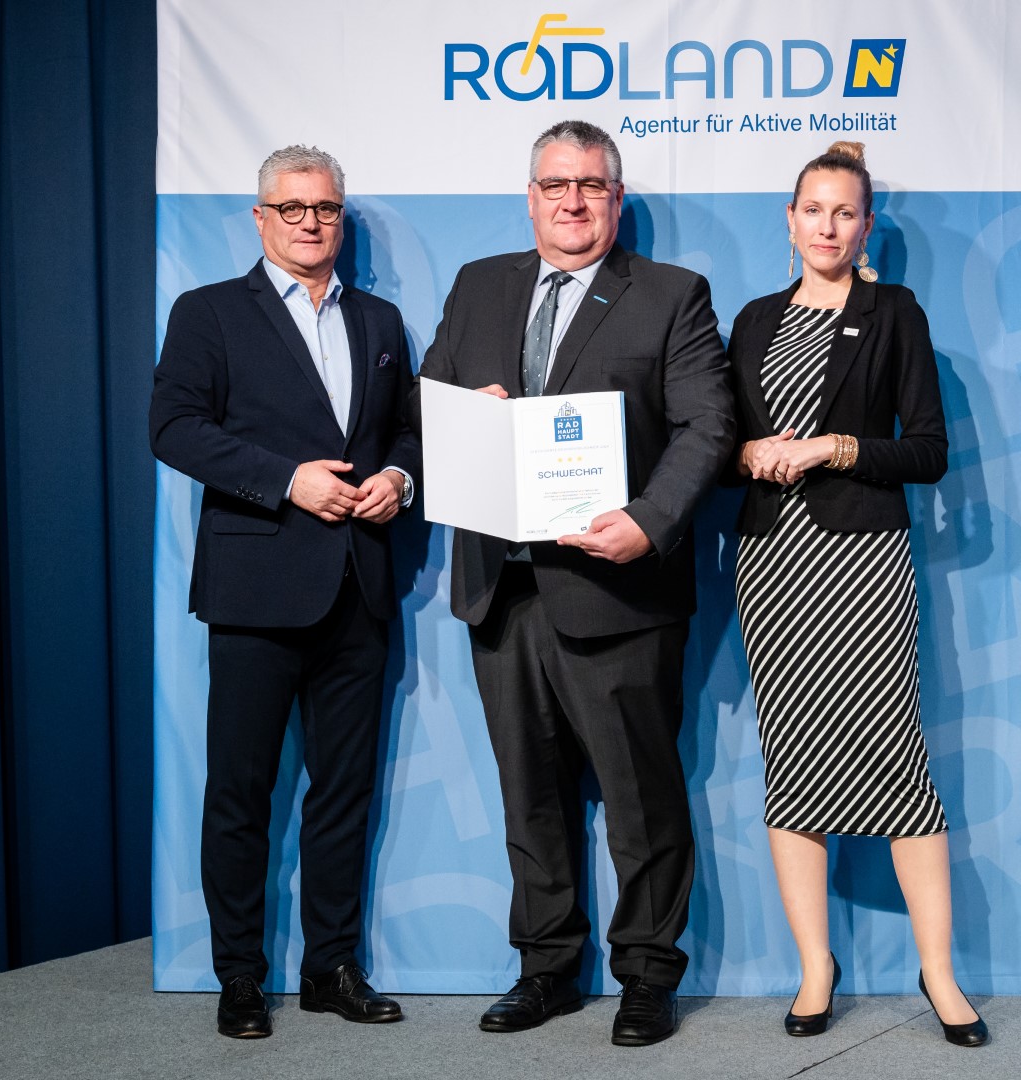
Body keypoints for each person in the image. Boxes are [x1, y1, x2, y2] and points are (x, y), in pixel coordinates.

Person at [418, 119, 733, 1046]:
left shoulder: (670, 294)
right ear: (530, 198)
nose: (572, 200)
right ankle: (545, 968)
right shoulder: (479, 284)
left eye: (591, 185)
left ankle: (647, 974)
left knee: (640, 799)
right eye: (555, 185)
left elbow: (708, 424)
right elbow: (427, 400)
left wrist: (650, 520)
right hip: (501, 589)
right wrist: (459, 412)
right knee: (530, 797)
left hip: (617, 590)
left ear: (616, 199)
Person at [150, 145, 420, 1039]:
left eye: (326, 208)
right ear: (260, 218)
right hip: (256, 587)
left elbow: (407, 432)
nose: (311, 222)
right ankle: (238, 975)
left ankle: (330, 968)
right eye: (293, 207)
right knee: (241, 791)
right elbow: (173, 428)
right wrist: (285, 480)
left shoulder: (379, 320)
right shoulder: (209, 312)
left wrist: (397, 479)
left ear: (342, 218)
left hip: (358, 586)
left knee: (343, 792)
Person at [725, 141, 988, 1047]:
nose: (827, 227)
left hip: (863, 565)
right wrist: (749, 453)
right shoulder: (753, 319)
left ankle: (939, 973)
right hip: (771, 566)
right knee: (792, 762)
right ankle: (814, 969)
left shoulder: (892, 313)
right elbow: (720, 442)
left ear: (866, 225)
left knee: (896, 765)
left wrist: (831, 447)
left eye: (844, 212)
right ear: (789, 219)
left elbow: (927, 450)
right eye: (813, 210)